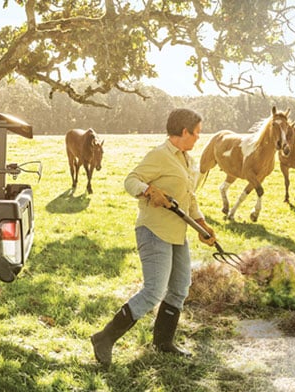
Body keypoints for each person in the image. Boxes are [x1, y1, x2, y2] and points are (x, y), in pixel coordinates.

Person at [90, 108, 218, 367]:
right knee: (153, 291)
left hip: (177, 233)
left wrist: (202, 224)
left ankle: (163, 343)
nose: (198, 139)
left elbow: (189, 198)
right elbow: (130, 181)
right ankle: (104, 338)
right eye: (196, 134)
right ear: (184, 132)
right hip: (154, 231)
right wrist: (149, 190)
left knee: (180, 287)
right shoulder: (159, 155)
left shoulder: (186, 160)